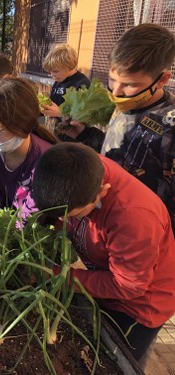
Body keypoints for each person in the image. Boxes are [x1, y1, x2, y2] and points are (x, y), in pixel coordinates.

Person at [31, 142, 175, 367]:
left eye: (74, 215)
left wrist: (57, 276)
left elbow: (127, 286)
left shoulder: (134, 217)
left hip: (139, 305)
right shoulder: (75, 167)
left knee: (116, 361)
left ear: (101, 193)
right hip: (108, 276)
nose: (65, 221)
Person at [101, 23, 175, 231]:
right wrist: (86, 134)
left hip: (144, 232)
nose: (116, 92)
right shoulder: (127, 102)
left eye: (130, 85)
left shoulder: (170, 124)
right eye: (112, 79)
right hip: (110, 218)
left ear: (162, 80)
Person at [0, 78, 58, 220]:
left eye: (0, 129)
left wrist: (6, 239)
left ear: (24, 125)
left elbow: (30, 217)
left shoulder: (47, 162)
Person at [41, 43, 91, 118]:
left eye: (55, 71)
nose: (52, 75)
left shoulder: (82, 84)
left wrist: (61, 113)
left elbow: (85, 116)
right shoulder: (59, 80)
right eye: (50, 71)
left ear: (68, 67)